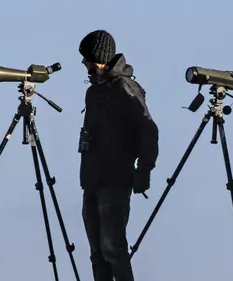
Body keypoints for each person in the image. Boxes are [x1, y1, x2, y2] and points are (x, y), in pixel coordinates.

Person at [77, 30, 159, 281]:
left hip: (114, 181)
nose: (83, 64)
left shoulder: (124, 88)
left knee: (113, 250)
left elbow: (148, 131)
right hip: (92, 181)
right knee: (97, 253)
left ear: (97, 59)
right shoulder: (94, 92)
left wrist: (143, 170)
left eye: (86, 58)